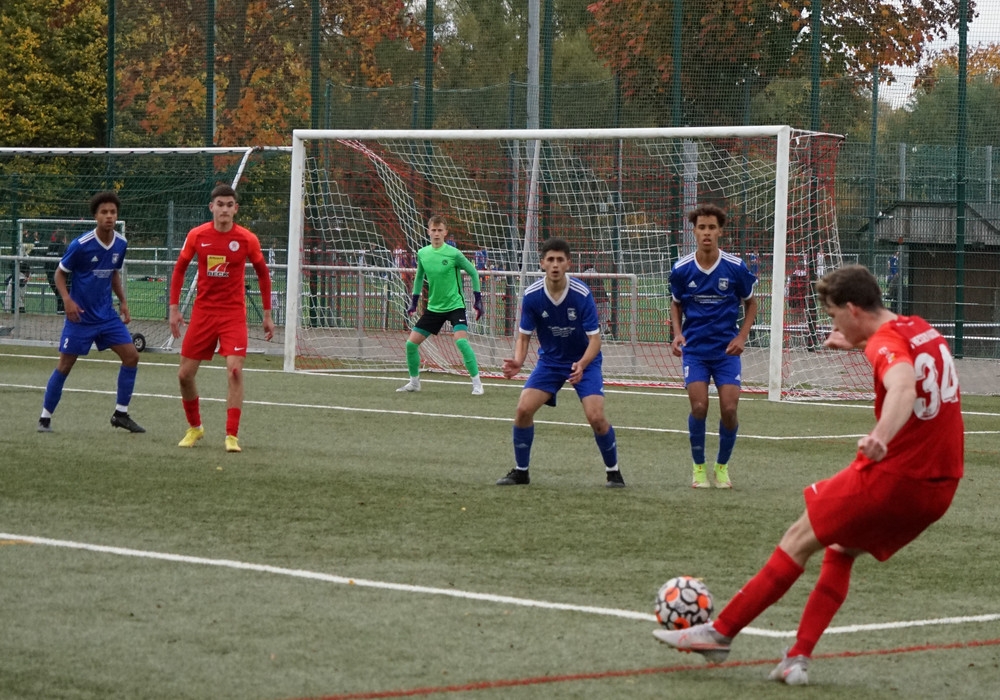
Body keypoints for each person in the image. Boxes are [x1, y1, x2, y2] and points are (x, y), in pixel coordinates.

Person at [654, 265, 964, 686]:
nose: (833, 325)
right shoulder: (921, 328)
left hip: (896, 477)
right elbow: (907, 363)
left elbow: (904, 386)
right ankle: (796, 658)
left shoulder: (885, 343)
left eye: (834, 316)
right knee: (841, 548)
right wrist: (857, 342)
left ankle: (720, 633)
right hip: (940, 489)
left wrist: (881, 436)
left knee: (798, 538)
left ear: (853, 310)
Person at [497, 237, 624, 488]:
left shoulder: (581, 294)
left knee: (596, 416)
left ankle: (614, 472)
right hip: (551, 362)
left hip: (584, 362)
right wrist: (518, 361)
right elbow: (524, 336)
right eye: (550, 260)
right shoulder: (532, 295)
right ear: (542, 263)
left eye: (560, 260)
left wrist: (582, 364)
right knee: (523, 410)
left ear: (568, 264)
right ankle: (521, 472)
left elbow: (595, 340)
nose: (555, 264)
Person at [169, 184, 274, 453]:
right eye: (220, 204)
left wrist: (267, 314)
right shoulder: (197, 235)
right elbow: (179, 269)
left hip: (232, 315)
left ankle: (231, 435)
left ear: (235, 209)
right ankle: (195, 427)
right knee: (184, 375)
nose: (224, 209)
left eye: (229, 205)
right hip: (203, 314)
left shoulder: (247, 239)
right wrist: (174, 308)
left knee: (235, 370)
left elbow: (263, 274)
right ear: (211, 207)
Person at [36, 191, 144, 433]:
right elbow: (60, 273)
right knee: (65, 365)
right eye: (104, 212)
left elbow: (113, 273)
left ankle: (121, 414)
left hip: (106, 316)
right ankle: (45, 418)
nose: (109, 216)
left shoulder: (121, 244)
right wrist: (67, 300)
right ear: (95, 216)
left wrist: (123, 301)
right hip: (80, 317)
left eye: (113, 212)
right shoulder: (81, 245)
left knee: (131, 357)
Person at [669, 204, 758, 488]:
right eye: (701, 228)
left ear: (720, 231)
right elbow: (675, 303)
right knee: (699, 406)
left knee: (729, 409)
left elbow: (751, 303)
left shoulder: (735, 267)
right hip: (695, 351)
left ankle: (722, 468)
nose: (706, 233)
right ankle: (698, 468)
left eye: (711, 228)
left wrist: (742, 336)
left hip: (725, 352)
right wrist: (677, 334)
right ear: (694, 232)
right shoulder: (682, 269)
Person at [397, 214, 484, 395]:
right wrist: (414, 302)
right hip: (434, 308)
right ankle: (414, 383)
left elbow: (473, 273)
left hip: (455, 306)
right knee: (411, 344)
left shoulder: (454, 253)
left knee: (461, 341)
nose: (436, 233)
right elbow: (419, 277)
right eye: (433, 230)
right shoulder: (423, 253)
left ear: (445, 232)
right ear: (428, 232)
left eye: (440, 230)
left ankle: (477, 384)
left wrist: (478, 300)